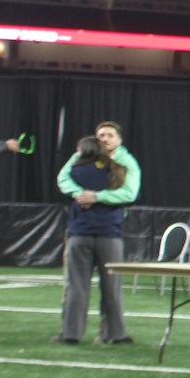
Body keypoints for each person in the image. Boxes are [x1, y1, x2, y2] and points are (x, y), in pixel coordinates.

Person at [56, 121, 141, 342]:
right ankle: (71, 333)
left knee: (110, 288)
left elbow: (130, 194)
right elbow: (62, 179)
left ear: (118, 140)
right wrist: (79, 193)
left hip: (108, 232)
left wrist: (96, 196)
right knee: (76, 287)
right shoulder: (81, 159)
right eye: (101, 135)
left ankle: (114, 333)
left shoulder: (126, 163)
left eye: (109, 135)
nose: (104, 139)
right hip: (81, 231)